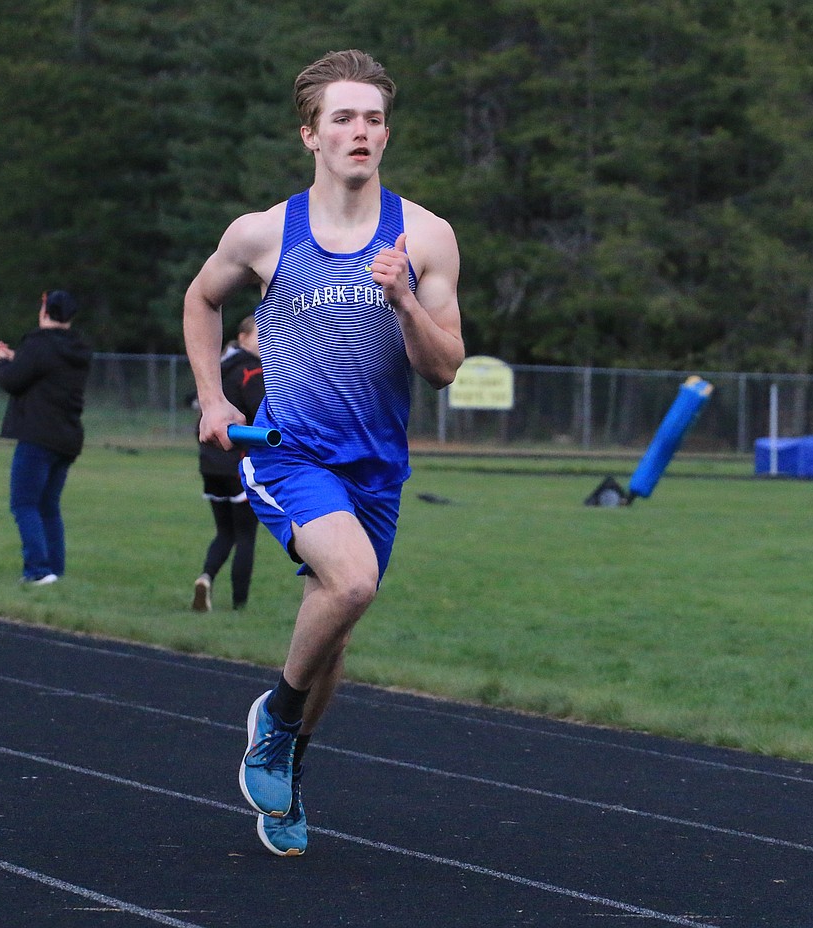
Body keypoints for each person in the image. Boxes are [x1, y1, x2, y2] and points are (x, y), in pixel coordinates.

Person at [182, 49, 464, 857]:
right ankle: (274, 718)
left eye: (373, 118)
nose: (360, 131)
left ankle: (290, 763)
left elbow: (444, 369)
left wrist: (404, 297)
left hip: (377, 468)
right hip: (287, 452)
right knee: (353, 581)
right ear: (310, 133)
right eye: (343, 117)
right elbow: (202, 299)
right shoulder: (265, 232)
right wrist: (211, 397)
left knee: (336, 627)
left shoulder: (426, 236)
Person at [0, 289, 92, 586]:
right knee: (48, 506)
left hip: (38, 435)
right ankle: (54, 570)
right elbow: (42, 370)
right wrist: (16, 358)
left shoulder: (39, 344)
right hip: (68, 436)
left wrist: (1, 361)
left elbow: (12, 380)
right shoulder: (78, 347)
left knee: (24, 503)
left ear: (44, 312)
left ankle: (37, 570)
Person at [192, 314, 265, 612]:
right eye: (261, 334)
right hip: (237, 462)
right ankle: (239, 606)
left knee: (225, 532)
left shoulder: (217, 368)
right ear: (243, 336)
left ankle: (206, 578)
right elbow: (260, 413)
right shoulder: (251, 370)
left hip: (210, 462)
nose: (266, 340)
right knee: (246, 535)